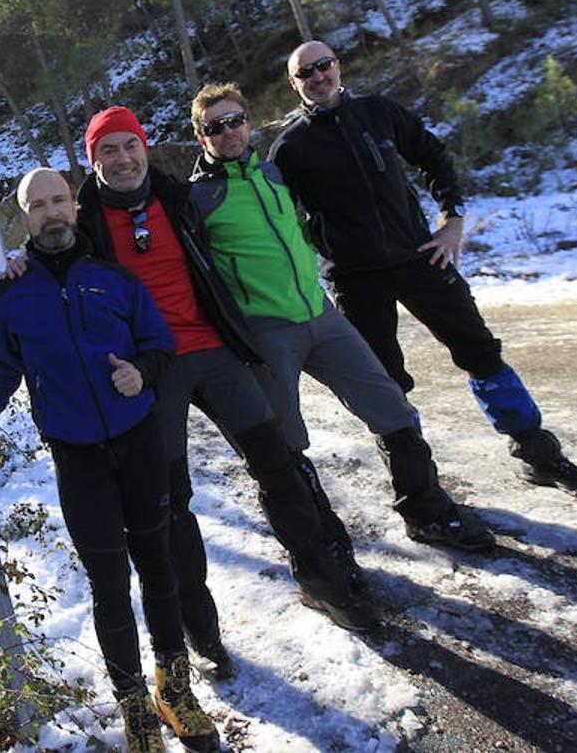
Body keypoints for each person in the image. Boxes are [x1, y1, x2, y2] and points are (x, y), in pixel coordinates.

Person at [73, 107, 377, 638]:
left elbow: (250, 238)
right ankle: (199, 624)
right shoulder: (85, 223)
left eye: (129, 145)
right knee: (171, 499)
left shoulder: (178, 199)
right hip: (151, 371)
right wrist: (18, 263)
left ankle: (323, 581)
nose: (122, 159)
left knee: (277, 462)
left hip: (215, 350)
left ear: (145, 147)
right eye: (108, 149)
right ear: (91, 157)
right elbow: (50, 259)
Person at [268, 41, 577, 500]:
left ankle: (537, 452)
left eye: (323, 65)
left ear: (338, 66)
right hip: (354, 276)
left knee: (480, 350)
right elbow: (277, 218)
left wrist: (453, 221)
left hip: (420, 255)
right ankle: (422, 486)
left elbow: (433, 156)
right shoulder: (290, 147)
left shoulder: (379, 112)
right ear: (295, 85)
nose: (317, 77)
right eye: (305, 73)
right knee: (383, 382)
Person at [0, 167, 219, 752]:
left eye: (59, 200)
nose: (51, 212)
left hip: (138, 443)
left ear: (75, 208)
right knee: (109, 586)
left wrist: (143, 373)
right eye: (38, 205)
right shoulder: (10, 290)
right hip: (77, 458)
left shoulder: (115, 277)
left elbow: (159, 343)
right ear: (22, 216)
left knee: (158, 569)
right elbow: (1, 367)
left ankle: (175, 691)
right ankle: (134, 707)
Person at [186, 81, 495, 551]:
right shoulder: (195, 199)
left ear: (248, 122)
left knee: (390, 403)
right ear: (200, 137)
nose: (228, 132)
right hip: (265, 333)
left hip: (320, 315)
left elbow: (318, 222)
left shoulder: (273, 174)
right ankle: (323, 548)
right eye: (215, 127)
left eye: (235, 121)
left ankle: (426, 511)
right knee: (284, 444)